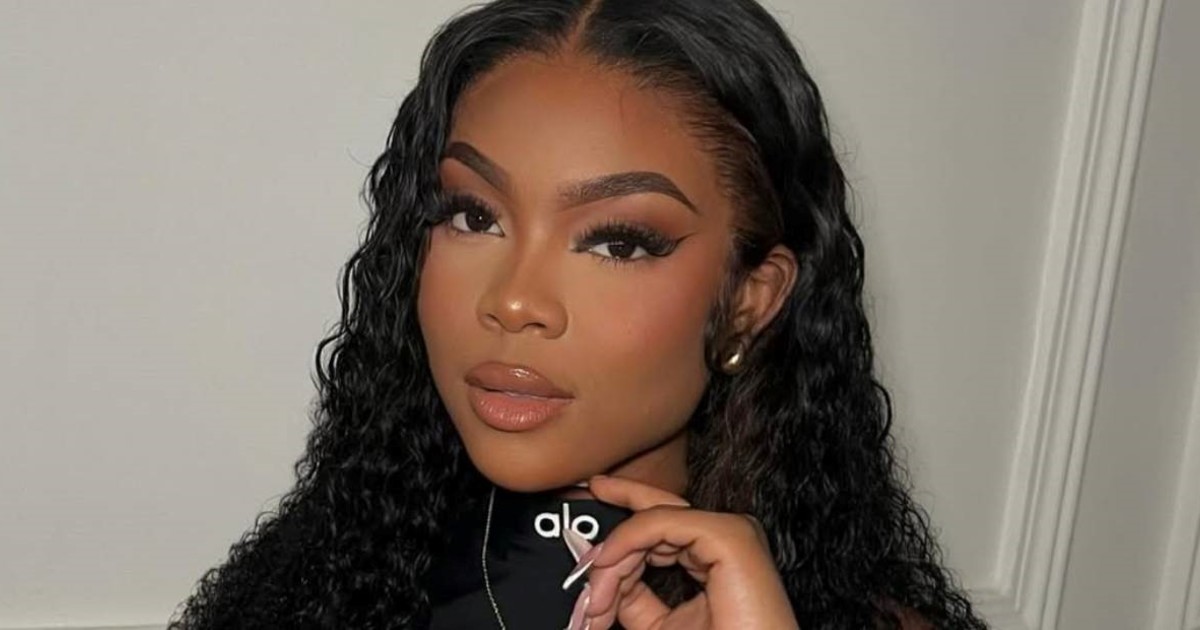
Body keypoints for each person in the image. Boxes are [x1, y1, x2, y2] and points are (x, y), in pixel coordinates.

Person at [168, 1, 987, 628]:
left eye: (618, 242)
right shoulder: (305, 597)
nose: (513, 301)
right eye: (472, 216)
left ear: (749, 300)